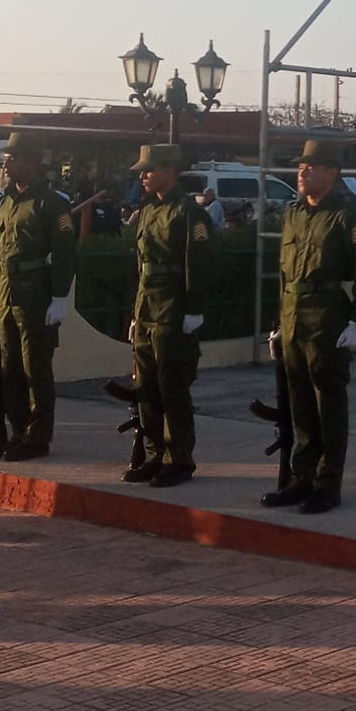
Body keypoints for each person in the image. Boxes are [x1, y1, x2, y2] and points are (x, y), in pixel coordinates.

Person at [262, 140, 356, 515]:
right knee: (300, 404)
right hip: (294, 313)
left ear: (332, 173)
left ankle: (328, 484)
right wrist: (278, 323)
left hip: (327, 314)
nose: (303, 172)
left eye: (311, 167)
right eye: (301, 167)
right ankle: (302, 477)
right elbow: (284, 272)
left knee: (328, 403)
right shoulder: (293, 214)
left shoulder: (345, 218)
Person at [126, 143, 213, 487]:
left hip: (174, 308)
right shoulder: (148, 211)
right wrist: (136, 311)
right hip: (148, 307)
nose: (143, 175)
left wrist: (194, 309)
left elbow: (199, 264)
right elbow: (141, 266)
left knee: (171, 386)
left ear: (169, 171)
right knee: (146, 387)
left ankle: (179, 458)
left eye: (149, 169)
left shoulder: (189, 213)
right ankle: (153, 455)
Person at [0, 133, 77, 462]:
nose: (6, 164)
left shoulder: (52, 203)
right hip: (9, 295)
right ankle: (18, 430)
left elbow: (65, 253)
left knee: (35, 369)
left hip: (36, 296)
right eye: (6, 159)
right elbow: (4, 253)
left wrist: (59, 297)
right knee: (9, 368)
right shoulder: (7, 201)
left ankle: (38, 435)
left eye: (13, 159)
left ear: (32, 162)